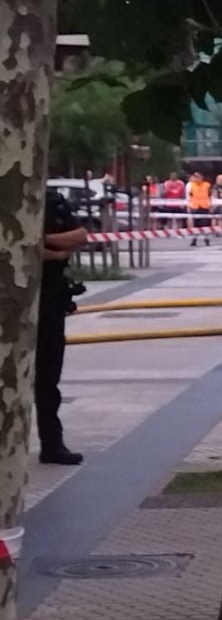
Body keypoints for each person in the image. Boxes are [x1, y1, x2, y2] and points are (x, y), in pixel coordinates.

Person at [38, 189, 89, 464]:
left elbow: (80, 236)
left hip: (50, 300)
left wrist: (42, 242)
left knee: (47, 379)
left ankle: (52, 444)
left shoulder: (51, 200)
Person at [186, 171, 212, 246]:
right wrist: (189, 206)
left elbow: (210, 195)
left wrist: (211, 205)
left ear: (201, 177)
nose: (197, 178)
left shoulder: (207, 185)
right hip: (195, 207)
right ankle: (194, 240)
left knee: (205, 224)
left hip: (205, 207)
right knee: (196, 225)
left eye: (198, 177)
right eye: (195, 177)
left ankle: (206, 239)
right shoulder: (192, 185)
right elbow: (190, 197)